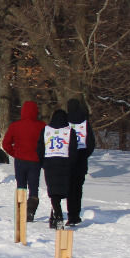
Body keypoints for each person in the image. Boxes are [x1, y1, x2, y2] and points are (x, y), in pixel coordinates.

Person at [0, 100, 46, 221]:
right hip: (35, 161)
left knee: (21, 185)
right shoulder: (42, 126)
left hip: (20, 160)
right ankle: (31, 209)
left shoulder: (15, 126)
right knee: (33, 187)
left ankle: (21, 209)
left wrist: (14, 153)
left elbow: (6, 144)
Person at [37, 108, 78, 229]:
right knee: (60, 192)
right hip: (64, 163)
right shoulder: (70, 131)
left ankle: (57, 216)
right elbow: (73, 150)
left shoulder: (46, 130)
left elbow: (40, 148)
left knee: (53, 191)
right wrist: (71, 163)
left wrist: (43, 162)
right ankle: (55, 216)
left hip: (50, 163)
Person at [65, 98, 95, 226]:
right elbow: (91, 143)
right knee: (78, 188)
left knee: (69, 188)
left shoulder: (65, 122)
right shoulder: (85, 122)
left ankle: (70, 214)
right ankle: (76, 214)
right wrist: (84, 155)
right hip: (81, 160)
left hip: (67, 159)